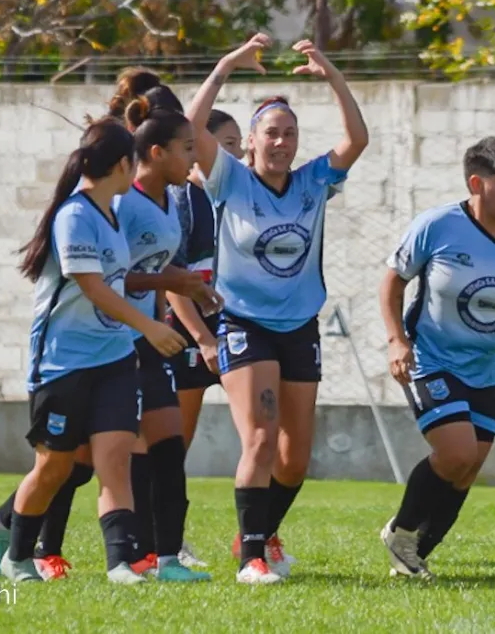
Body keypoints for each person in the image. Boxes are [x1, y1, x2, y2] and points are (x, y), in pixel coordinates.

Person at [186, 33, 369, 584]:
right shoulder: (230, 179)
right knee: (262, 438)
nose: (282, 142)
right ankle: (251, 559)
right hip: (246, 325)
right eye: (272, 133)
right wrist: (226, 63)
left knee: (295, 458)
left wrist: (332, 74)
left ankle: (259, 533)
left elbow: (357, 139)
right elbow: (192, 128)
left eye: (290, 134)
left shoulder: (315, 180)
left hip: (299, 327)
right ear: (252, 141)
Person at [0, 116, 188, 584]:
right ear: (121, 164)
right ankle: (15, 551)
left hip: (112, 358)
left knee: (114, 462)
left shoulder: (113, 214)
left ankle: (120, 565)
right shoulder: (75, 215)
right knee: (55, 467)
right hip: (63, 361)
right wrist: (150, 327)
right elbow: (93, 287)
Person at [378, 136, 495, 580]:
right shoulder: (437, 225)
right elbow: (392, 281)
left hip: (486, 369)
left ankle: (414, 554)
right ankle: (400, 531)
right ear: (475, 182)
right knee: (456, 452)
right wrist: (396, 341)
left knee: (468, 468)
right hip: (432, 358)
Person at [109, 68, 216, 571]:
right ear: (157, 151)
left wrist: (189, 286)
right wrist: (175, 285)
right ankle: (20, 534)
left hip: (151, 341)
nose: (196, 159)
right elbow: (115, 277)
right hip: (110, 343)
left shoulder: (170, 202)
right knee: (78, 464)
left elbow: (153, 268)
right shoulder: (120, 203)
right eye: (188, 148)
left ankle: (165, 555)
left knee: (169, 447)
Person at [166, 109, 245, 448]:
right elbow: (171, 279)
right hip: (190, 333)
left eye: (241, 144)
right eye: (230, 144)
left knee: (262, 435)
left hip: (239, 330)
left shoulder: (242, 193)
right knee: (174, 444)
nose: (239, 154)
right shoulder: (181, 198)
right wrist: (202, 338)